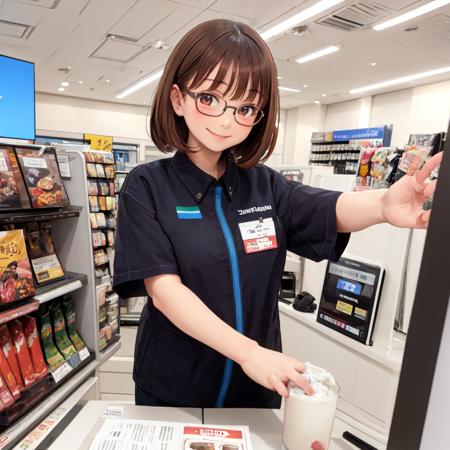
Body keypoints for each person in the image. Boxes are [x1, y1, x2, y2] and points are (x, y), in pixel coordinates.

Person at [113, 19, 442, 411]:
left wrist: (383, 205)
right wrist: (250, 353)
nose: (226, 119)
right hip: (174, 388)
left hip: (253, 392)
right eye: (210, 98)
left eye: (246, 107)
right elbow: (165, 291)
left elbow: (326, 208)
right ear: (178, 98)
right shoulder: (147, 185)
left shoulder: (264, 186)